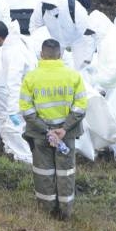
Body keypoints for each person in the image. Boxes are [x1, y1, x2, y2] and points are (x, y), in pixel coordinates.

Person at [19, 39, 88, 220]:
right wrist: (64, 129)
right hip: (66, 135)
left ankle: (47, 211)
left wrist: (46, 130)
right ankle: (65, 212)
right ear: (61, 55)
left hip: (40, 135)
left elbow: (26, 109)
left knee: (43, 172)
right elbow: (81, 106)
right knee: (65, 172)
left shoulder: (31, 77)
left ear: (41, 55)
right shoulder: (74, 76)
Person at [81, 10, 116, 165]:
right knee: (107, 119)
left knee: (113, 122)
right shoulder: (105, 36)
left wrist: (95, 83)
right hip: (111, 85)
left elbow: (111, 69)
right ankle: (112, 152)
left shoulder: (113, 40)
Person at [0, 20, 35, 163]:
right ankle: (17, 151)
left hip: (23, 93)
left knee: (12, 126)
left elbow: (13, 82)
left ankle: (25, 159)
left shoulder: (12, 51)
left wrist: (13, 110)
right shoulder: (18, 41)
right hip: (30, 90)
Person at [31, 0, 91, 69]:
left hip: (77, 39)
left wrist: (87, 55)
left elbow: (86, 32)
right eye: (46, 5)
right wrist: (39, 44)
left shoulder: (75, 8)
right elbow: (35, 26)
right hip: (56, 41)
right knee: (53, 68)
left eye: (51, 5)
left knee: (81, 67)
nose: (49, 8)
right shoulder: (41, 8)